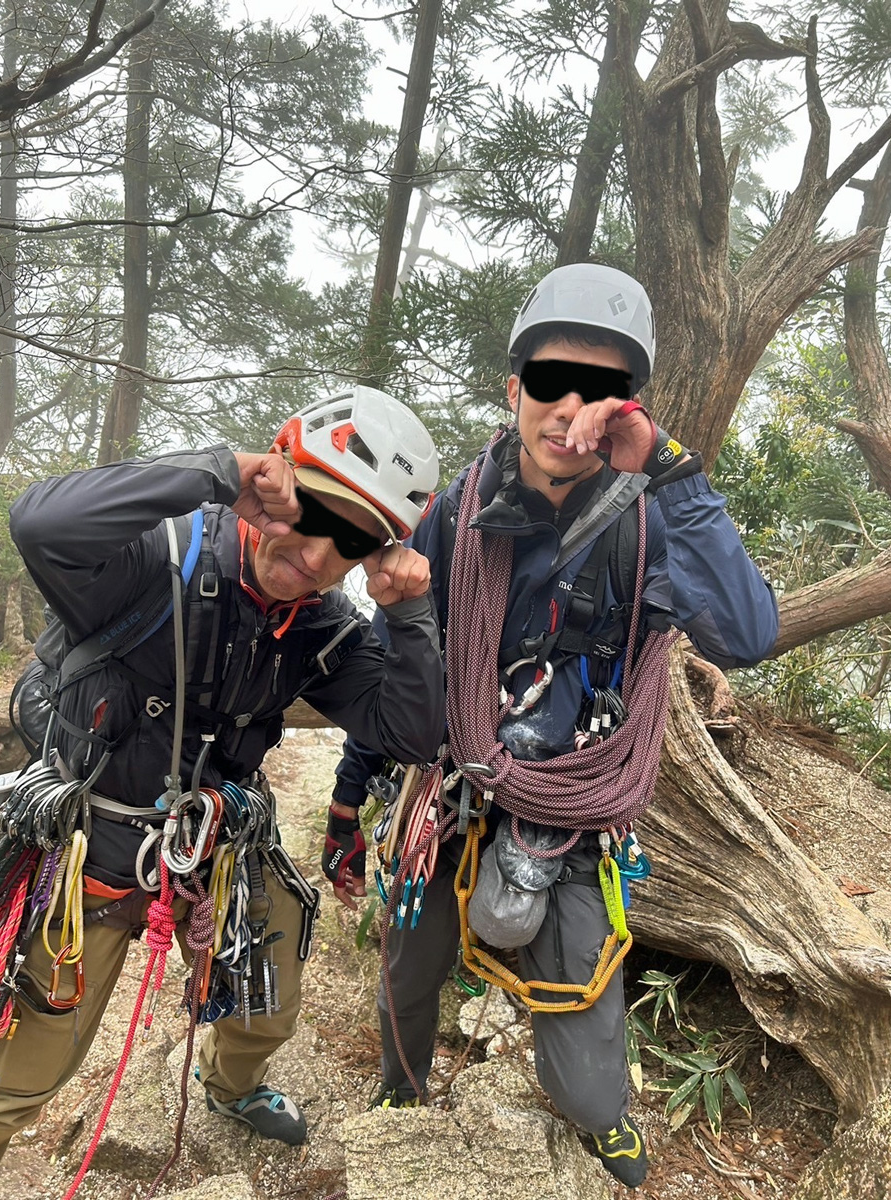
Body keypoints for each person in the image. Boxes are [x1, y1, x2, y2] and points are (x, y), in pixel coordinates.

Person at [327, 264, 780, 1189]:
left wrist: (668, 470)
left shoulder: (648, 522)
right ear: (514, 390)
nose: (570, 406)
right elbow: (403, 661)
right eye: (550, 381)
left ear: (628, 405)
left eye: (601, 388)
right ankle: (400, 1092)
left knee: (585, 1028)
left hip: (574, 806)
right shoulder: (454, 513)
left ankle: (600, 1119)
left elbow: (745, 634)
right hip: (450, 789)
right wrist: (347, 800)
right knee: (410, 971)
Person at [0, 386, 444, 1168]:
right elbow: (40, 524)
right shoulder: (151, 558)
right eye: (311, 512)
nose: (315, 556)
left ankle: (232, 1084)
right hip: (87, 845)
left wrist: (408, 614)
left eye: (348, 541)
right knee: (24, 1073)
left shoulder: (320, 627)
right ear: (274, 479)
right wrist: (218, 470)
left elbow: (412, 733)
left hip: (218, 838)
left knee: (268, 1007)